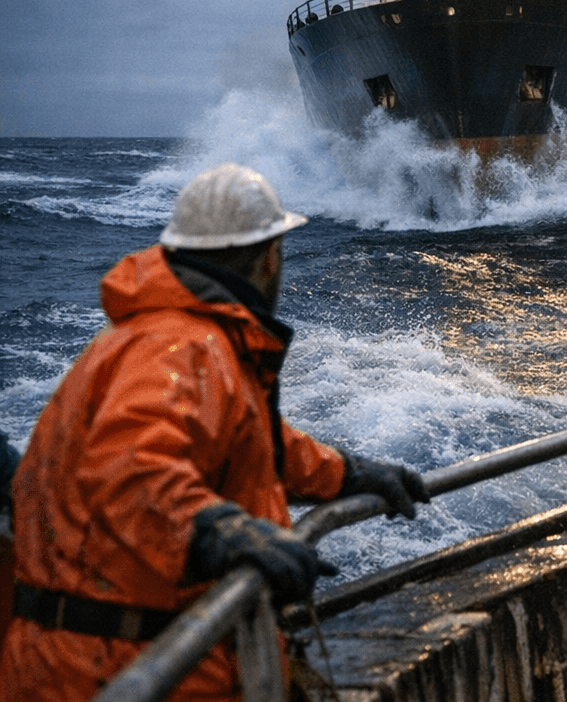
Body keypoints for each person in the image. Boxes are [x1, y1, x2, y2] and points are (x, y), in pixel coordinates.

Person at [0, 163, 432, 699]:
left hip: (117, 651)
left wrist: (349, 474)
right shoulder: (183, 345)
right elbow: (128, 468)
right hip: (119, 666)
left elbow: (253, 445)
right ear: (270, 256)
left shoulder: (169, 334)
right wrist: (225, 535)